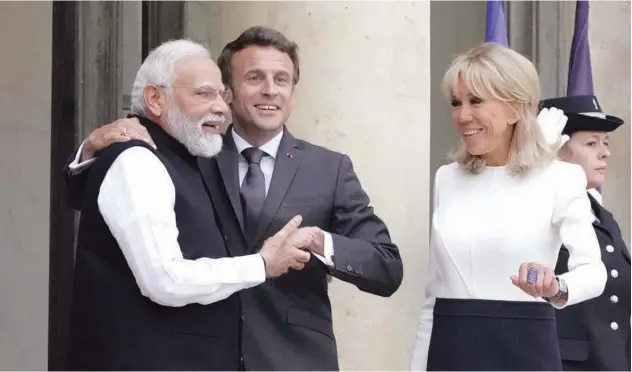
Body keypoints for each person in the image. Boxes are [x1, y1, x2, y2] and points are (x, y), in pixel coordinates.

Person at [64, 27, 403, 371]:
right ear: (228, 92)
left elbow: (385, 267)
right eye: (254, 77)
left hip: (293, 360)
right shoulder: (191, 150)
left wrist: (320, 241)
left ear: (293, 92)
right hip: (200, 357)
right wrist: (92, 148)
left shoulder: (329, 168)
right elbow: (105, 204)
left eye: (282, 79)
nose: (270, 89)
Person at [409, 43, 607, 371]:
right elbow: (433, 295)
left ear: (515, 108)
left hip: (524, 349)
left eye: (476, 101)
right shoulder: (447, 178)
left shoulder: (560, 178)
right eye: (456, 103)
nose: (461, 116)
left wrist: (556, 287)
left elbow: (594, 272)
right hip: (449, 351)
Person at [540, 95, 630, 371]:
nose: (605, 153)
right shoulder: (536, 205)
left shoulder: (602, 215)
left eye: (605, 143)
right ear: (556, 148)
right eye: (591, 143)